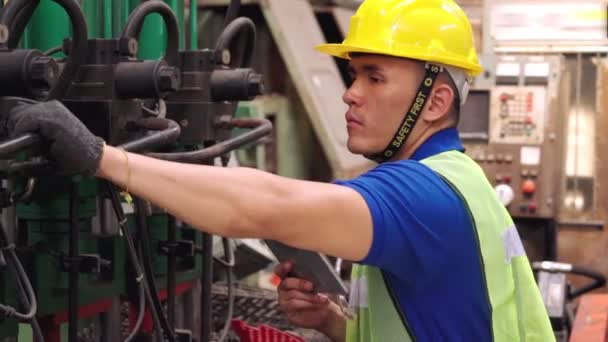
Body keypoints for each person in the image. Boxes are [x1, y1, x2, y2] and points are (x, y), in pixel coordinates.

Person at [3, 0, 554, 341]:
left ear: (433, 102)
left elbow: (265, 205)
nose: (351, 95)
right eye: (352, 75)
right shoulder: (456, 179)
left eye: (374, 77)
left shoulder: (425, 197)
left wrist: (103, 158)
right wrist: (335, 325)